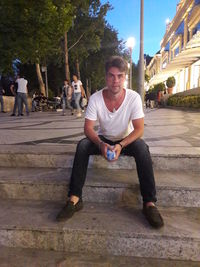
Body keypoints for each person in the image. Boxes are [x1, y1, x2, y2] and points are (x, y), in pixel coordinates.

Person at [56, 56, 164, 229]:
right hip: (104, 139)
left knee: (143, 148)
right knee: (83, 145)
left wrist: (121, 145)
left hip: (126, 139)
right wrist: (100, 144)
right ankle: (74, 199)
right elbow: (88, 128)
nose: (115, 81)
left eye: (120, 76)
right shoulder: (96, 98)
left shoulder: (134, 98)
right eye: (111, 76)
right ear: (106, 77)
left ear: (125, 78)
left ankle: (149, 203)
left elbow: (139, 129)